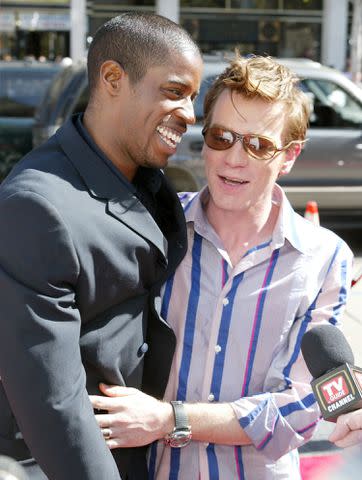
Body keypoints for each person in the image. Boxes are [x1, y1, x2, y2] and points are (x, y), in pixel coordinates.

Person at [90, 54, 354, 479]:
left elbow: (301, 407)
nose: (235, 158)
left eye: (259, 144)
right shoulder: (153, 226)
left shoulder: (325, 259)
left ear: (288, 157)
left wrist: (167, 419)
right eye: (222, 137)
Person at [0, 12, 202, 480]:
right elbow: (53, 404)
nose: (191, 115)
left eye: (193, 98)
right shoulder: (36, 205)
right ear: (113, 78)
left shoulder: (144, 177)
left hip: (144, 450)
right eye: (175, 92)